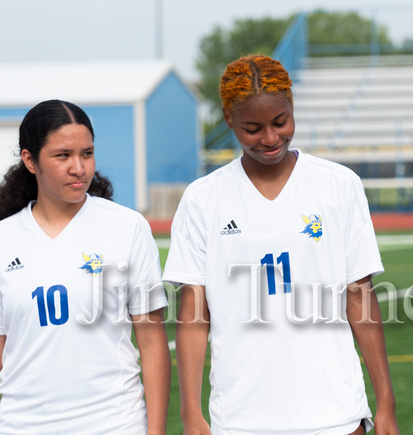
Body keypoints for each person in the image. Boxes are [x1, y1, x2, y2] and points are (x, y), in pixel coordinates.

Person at [163, 54, 400, 434]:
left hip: (334, 412)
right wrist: (191, 412)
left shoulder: (339, 184)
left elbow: (360, 296)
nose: (270, 138)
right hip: (241, 418)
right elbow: (194, 314)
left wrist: (385, 402)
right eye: (252, 128)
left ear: (292, 107)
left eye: (280, 122)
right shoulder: (202, 197)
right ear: (228, 119)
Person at [0, 99, 171, 434]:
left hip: (115, 423)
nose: (79, 168)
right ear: (30, 160)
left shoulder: (127, 228)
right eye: (63, 156)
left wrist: (156, 431)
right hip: (23, 426)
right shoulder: (5, 238)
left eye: (87, 153)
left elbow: (151, 341)